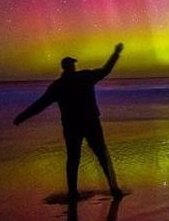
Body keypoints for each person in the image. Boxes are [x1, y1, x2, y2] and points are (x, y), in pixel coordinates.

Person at [14, 43, 125, 200]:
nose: (74, 66)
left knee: (73, 159)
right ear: (72, 66)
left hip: (71, 126)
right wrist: (115, 54)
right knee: (102, 156)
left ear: (63, 68)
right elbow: (106, 70)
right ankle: (114, 190)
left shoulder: (58, 86)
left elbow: (40, 105)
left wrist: (21, 117)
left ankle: (73, 193)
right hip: (90, 123)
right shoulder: (84, 77)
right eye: (74, 64)